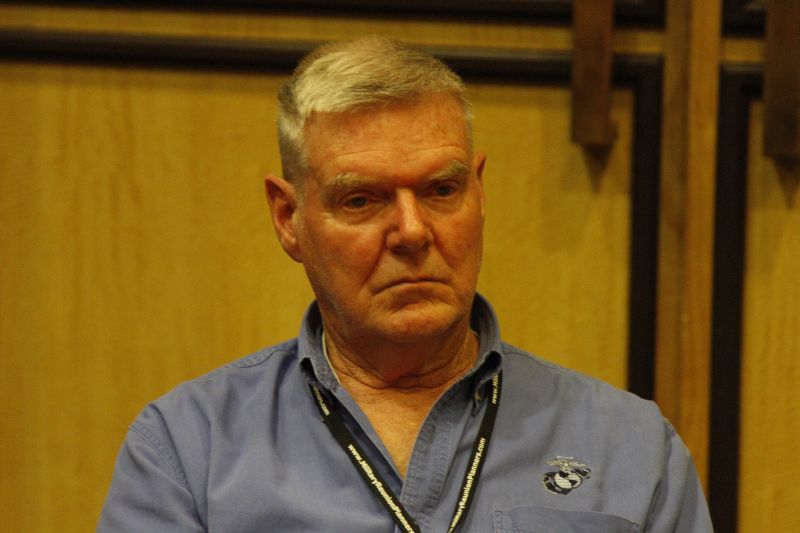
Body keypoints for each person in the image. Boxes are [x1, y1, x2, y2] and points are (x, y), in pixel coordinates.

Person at [98, 37, 713, 532]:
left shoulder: (631, 447)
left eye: (441, 190)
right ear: (289, 219)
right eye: (361, 200)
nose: (412, 231)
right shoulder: (189, 450)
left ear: (479, 193)